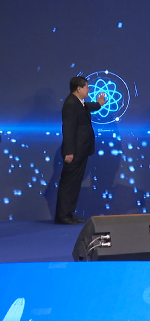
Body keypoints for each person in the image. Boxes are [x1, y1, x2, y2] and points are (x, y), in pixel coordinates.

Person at [56, 76, 106, 225]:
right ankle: (62, 215)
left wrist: (99, 104)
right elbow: (68, 129)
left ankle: (68, 213)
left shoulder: (78, 102)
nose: (89, 90)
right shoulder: (71, 103)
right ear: (79, 89)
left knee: (75, 183)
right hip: (74, 151)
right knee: (69, 183)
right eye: (87, 87)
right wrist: (69, 151)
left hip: (81, 150)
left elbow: (87, 107)